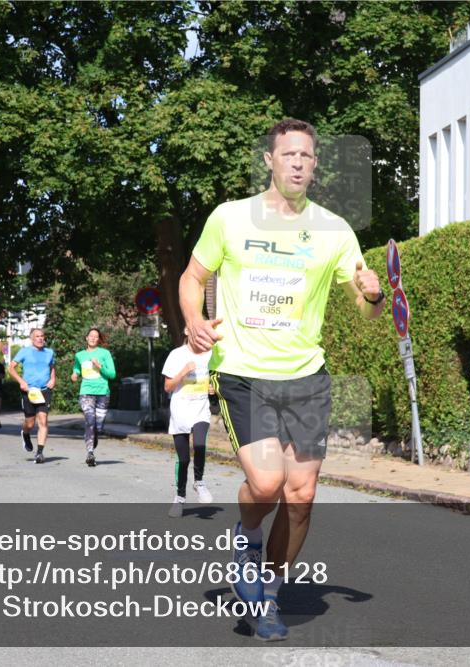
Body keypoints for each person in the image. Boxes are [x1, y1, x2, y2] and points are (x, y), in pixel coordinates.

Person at [178, 118, 385, 640]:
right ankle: (247, 537)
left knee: (301, 496)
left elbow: (366, 311)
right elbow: (193, 276)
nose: (297, 163)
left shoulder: (335, 230)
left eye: (306, 156)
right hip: (243, 371)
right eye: (288, 154)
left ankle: (268, 596)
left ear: (315, 165)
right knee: (267, 483)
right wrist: (195, 320)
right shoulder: (229, 217)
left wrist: (373, 294)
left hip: (306, 377)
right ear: (269, 160)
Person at [162, 329, 213, 517]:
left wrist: (213, 387)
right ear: (187, 331)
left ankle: (199, 482)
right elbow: (168, 387)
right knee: (183, 460)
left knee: (200, 445)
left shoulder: (210, 354)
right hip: (180, 411)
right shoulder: (176, 355)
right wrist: (183, 372)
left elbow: (215, 377)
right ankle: (179, 497)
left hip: (201, 409)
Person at [71, 327, 117, 467]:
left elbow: (112, 374)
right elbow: (77, 367)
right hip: (86, 392)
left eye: (96, 336)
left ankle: (94, 436)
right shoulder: (79, 355)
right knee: (90, 421)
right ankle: (90, 452)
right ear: (86, 338)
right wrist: (75, 373)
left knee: (99, 426)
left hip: (103, 392)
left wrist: (99, 366)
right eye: (90, 335)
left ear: (98, 339)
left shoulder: (104, 353)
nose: (92, 338)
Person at [9, 328, 56, 463]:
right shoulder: (25, 351)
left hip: (44, 390)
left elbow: (52, 367)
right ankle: (25, 433)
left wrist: (53, 379)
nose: (40, 338)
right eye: (37, 336)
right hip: (29, 391)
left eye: (42, 336)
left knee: (43, 420)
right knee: (30, 423)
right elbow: (11, 368)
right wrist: (21, 382)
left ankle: (39, 453)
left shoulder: (49, 352)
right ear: (32, 338)